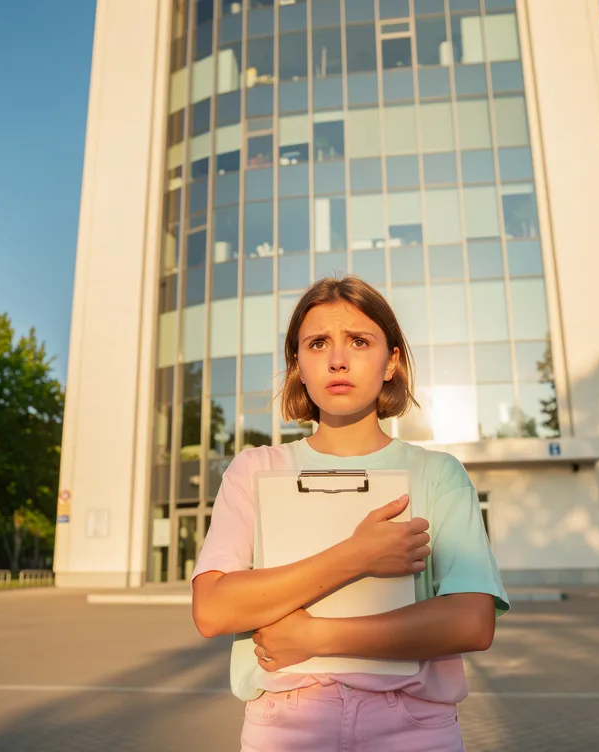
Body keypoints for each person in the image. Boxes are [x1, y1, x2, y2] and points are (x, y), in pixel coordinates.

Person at [191, 276, 509, 751]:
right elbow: (213, 609)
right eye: (317, 343)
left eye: (360, 341)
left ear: (391, 362)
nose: (338, 359)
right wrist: (355, 556)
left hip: (414, 727)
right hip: (285, 726)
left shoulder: (438, 474)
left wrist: (315, 636)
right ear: (297, 364)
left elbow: (471, 622)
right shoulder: (255, 469)